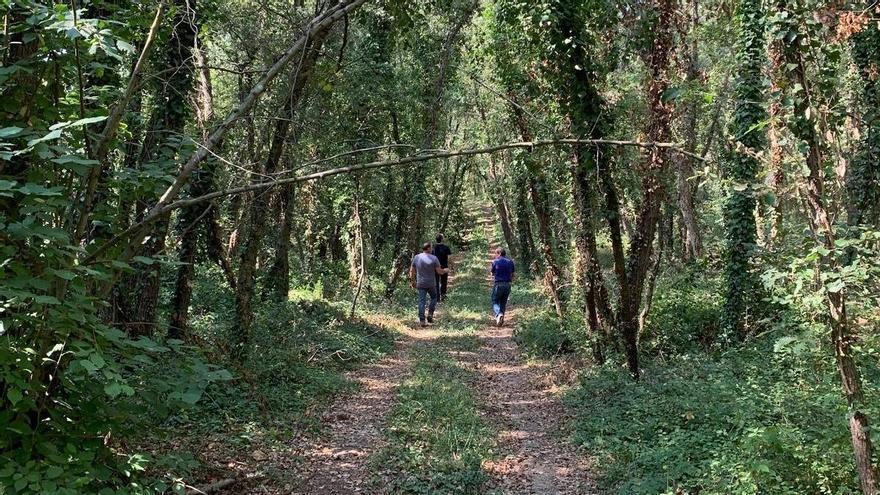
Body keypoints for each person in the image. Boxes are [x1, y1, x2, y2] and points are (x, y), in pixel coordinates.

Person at [410, 242, 450, 327]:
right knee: (434, 298)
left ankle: (422, 320)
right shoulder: (434, 258)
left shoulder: (417, 257)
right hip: (431, 284)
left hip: (421, 283)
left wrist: (413, 281)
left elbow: (412, 271)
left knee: (421, 301)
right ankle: (430, 314)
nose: (432, 249)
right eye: (431, 247)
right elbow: (439, 271)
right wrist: (446, 270)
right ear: (428, 248)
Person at [490, 247, 515, 327]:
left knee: (495, 301)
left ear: (499, 253)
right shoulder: (510, 262)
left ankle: (499, 314)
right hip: (507, 285)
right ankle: (500, 319)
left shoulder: (495, 262)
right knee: (503, 302)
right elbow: (513, 274)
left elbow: (492, 273)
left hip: (498, 284)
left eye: (496, 254)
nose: (495, 255)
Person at [433, 234, 452, 301]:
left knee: (436, 282)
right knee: (444, 282)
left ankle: (437, 298)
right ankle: (443, 296)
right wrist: (450, 266)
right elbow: (449, 258)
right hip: (444, 267)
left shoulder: (433, 248)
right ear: (442, 239)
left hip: (435, 267)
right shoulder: (446, 247)